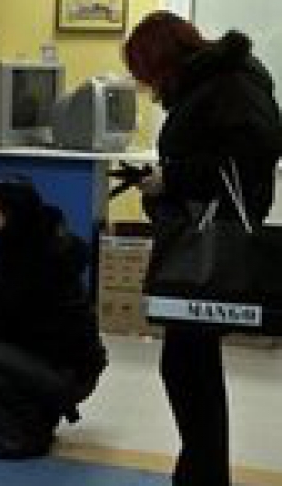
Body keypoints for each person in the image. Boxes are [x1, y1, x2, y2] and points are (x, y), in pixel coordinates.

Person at [124, 12, 282, 486]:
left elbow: (251, 157)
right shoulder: (220, 80)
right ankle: (200, 471)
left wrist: (170, 178)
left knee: (187, 368)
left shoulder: (227, 83)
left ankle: (202, 473)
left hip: (210, 242)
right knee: (190, 366)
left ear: (163, 58)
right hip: (207, 233)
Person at [0, 178, 107, 460]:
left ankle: (19, 438)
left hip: (66, 373)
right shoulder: (40, 243)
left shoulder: (30, 262)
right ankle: (38, 417)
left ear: (9, 214)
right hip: (71, 365)